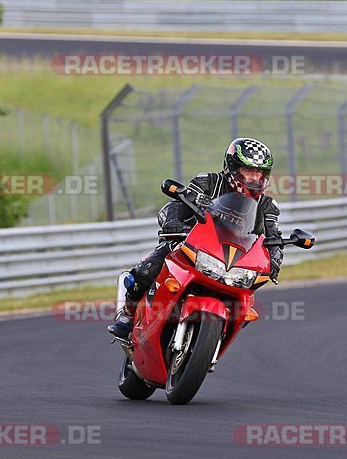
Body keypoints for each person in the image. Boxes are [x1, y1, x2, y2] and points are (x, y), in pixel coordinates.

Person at [108, 137, 284, 339]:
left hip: (233, 259)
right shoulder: (207, 182)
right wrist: (175, 223)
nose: (255, 178)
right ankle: (127, 315)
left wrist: (276, 257)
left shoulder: (268, 205)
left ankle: (213, 340)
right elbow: (178, 204)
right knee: (146, 270)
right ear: (232, 167)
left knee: (245, 307)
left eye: (260, 173)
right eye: (249, 171)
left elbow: (273, 236)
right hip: (190, 243)